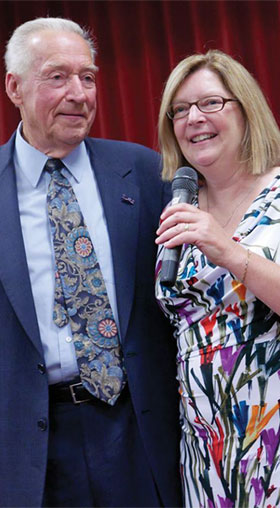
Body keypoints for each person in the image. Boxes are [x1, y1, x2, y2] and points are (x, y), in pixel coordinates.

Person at [0, 17, 182, 508]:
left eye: (89, 76)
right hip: (30, 447)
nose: (80, 93)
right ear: (14, 87)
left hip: (140, 429)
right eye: (57, 77)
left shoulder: (144, 172)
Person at [155, 49, 280, 507]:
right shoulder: (177, 206)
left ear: (246, 110)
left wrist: (228, 251)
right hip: (207, 451)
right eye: (181, 110)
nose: (194, 119)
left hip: (272, 437)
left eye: (210, 103)